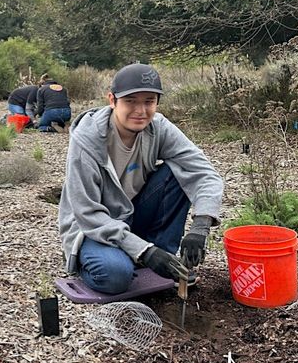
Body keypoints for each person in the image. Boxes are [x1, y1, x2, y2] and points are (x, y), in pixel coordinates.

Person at [58, 63, 224, 295]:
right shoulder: (88, 139)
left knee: (178, 171)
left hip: (133, 215)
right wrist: (144, 251)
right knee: (115, 276)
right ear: (112, 100)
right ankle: (125, 258)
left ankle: (162, 258)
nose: (140, 110)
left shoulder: (158, 128)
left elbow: (204, 172)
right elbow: (87, 213)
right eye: (131, 101)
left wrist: (201, 225)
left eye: (149, 101)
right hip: (93, 227)